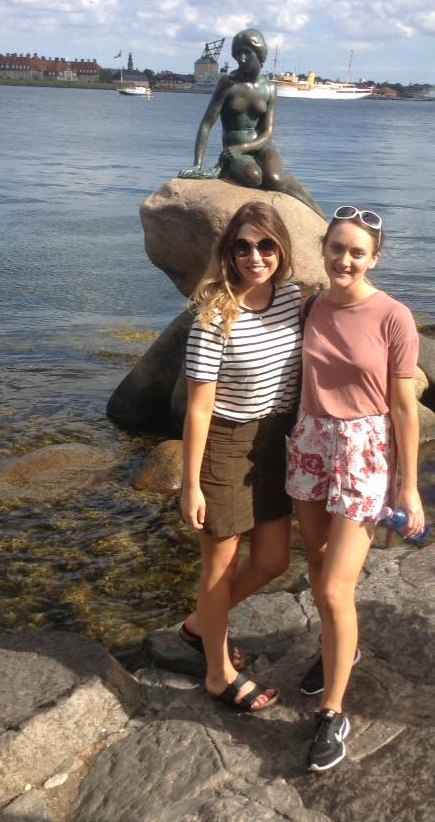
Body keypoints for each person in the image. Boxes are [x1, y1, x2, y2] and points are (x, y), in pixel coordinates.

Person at [286, 205, 426, 770]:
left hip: (365, 452)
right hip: (310, 442)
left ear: (375, 258)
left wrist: (409, 489)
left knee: (335, 587)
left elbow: (404, 408)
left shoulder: (394, 316)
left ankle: (333, 712)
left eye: (357, 252)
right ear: (323, 249)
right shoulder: (310, 306)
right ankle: (338, 649)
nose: (345, 260)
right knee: (319, 567)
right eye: (337, 248)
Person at [180, 200, 302, 711]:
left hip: (276, 444)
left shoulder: (291, 297)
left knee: (273, 560)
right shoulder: (214, 316)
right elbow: (198, 409)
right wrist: (190, 484)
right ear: (228, 253)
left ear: (282, 249)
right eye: (243, 246)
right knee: (220, 567)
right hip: (226, 445)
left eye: (266, 245)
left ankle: (198, 626)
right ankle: (217, 672)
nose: (256, 257)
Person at [179, 28, 323, 216]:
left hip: (262, 146)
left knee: (275, 179)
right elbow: (206, 124)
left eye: (247, 52)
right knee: (253, 177)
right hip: (234, 148)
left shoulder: (269, 89)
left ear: (260, 54)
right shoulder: (227, 84)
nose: (241, 58)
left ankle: (317, 211)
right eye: (238, 53)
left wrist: (245, 148)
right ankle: (231, 170)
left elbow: (268, 132)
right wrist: (197, 164)